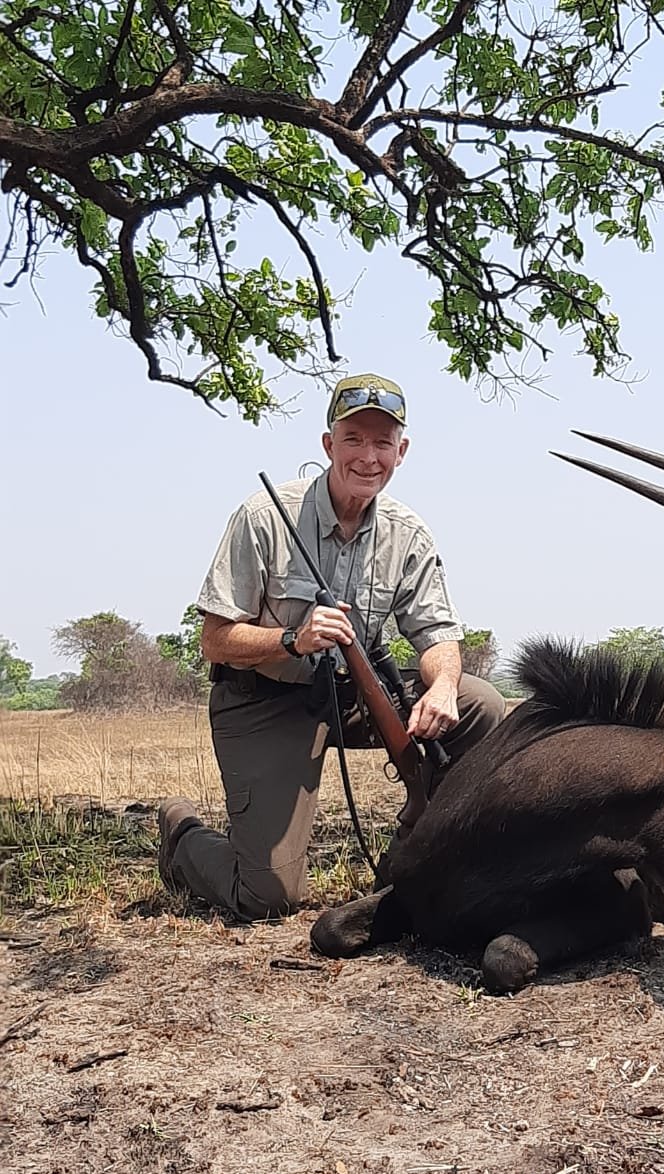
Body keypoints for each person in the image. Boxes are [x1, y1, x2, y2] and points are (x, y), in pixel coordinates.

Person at [157, 373, 505, 920]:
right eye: (354, 440)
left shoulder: (408, 533)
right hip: (263, 699)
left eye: (383, 443)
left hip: (350, 697)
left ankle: (408, 861)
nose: (369, 457)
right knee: (266, 897)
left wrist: (440, 685)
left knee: (479, 701)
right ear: (328, 445)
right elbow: (215, 640)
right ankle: (182, 838)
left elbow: (438, 635)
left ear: (402, 451)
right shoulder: (263, 517)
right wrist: (292, 640)